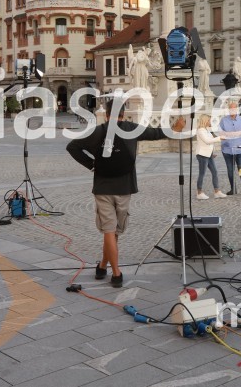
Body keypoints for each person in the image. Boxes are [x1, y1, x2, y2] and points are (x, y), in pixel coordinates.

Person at [66, 99, 185, 287]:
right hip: (124, 187)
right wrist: (176, 128)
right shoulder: (130, 128)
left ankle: (104, 266)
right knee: (113, 232)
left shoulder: (98, 131)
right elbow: (156, 133)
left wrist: (91, 164)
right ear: (124, 113)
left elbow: (72, 147)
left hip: (102, 188)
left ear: (106, 115)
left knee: (109, 231)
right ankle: (116, 273)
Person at [219, 102, 241, 196]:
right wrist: (227, 135)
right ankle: (233, 189)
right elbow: (220, 134)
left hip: (239, 149)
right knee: (230, 170)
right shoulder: (223, 120)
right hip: (227, 149)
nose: (232, 110)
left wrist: (239, 133)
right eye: (230, 109)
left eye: (234, 109)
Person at [196, 115, 227, 200]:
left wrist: (211, 153)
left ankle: (217, 192)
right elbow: (207, 141)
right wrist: (219, 138)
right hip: (202, 155)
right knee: (202, 173)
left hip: (208, 154)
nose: (210, 122)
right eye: (209, 120)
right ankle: (199, 192)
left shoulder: (207, 130)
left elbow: (210, 143)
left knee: (215, 172)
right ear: (205, 121)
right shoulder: (200, 130)